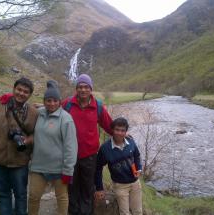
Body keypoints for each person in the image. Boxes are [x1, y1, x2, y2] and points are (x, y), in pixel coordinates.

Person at [0, 77, 38, 215]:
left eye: (26, 92)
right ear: (14, 89)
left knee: (21, 195)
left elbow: (38, 134)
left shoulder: (33, 113)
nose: (21, 93)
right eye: (19, 89)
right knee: (3, 195)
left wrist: (27, 140)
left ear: (29, 95)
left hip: (20, 162)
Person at [62, 74, 113, 215]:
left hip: (90, 157)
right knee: (71, 188)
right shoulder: (67, 104)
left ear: (91, 89)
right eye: (80, 87)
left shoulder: (98, 107)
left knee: (87, 188)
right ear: (76, 89)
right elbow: (52, 110)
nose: (83, 90)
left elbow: (109, 125)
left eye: (86, 87)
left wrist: (122, 135)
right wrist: (41, 107)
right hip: (70, 156)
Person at [28, 80, 78, 215]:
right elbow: (23, 106)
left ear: (59, 101)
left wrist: (68, 170)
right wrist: (8, 98)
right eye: (48, 100)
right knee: (33, 196)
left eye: (55, 100)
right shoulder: (39, 113)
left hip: (59, 168)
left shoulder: (66, 119)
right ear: (44, 101)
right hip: (38, 166)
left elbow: (71, 147)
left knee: (61, 197)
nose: (52, 104)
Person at [94, 117, 143, 215]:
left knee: (138, 211)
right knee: (124, 213)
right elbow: (98, 168)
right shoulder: (105, 149)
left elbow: (137, 156)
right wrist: (99, 188)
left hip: (135, 184)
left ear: (126, 132)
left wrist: (139, 168)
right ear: (112, 130)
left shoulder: (131, 142)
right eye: (117, 130)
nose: (119, 133)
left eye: (122, 130)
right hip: (120, 186)